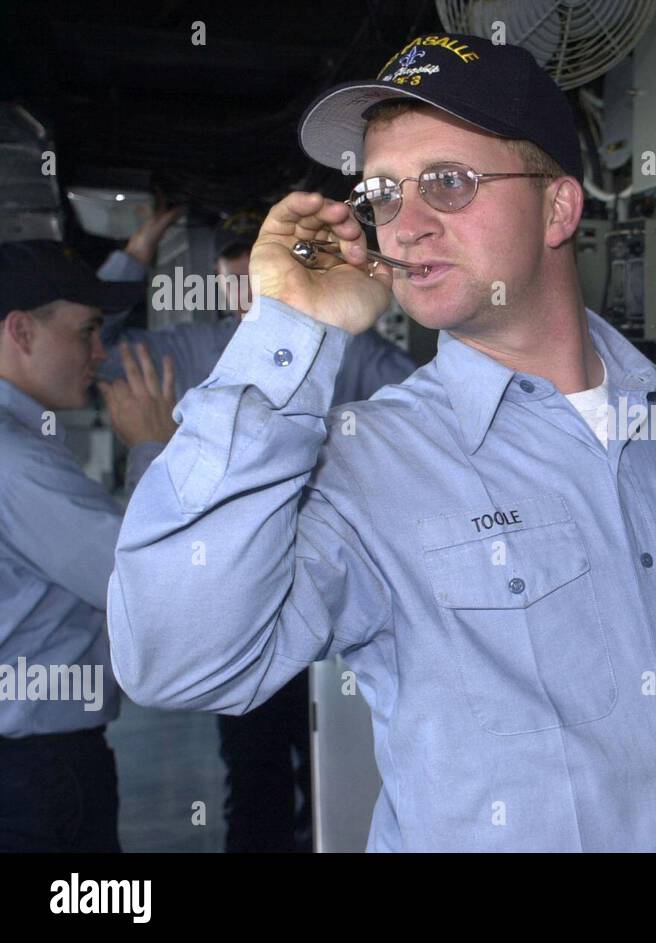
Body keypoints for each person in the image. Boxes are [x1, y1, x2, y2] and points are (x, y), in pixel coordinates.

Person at [108, 32, 656, 851]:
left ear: (560, 206)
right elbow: (179, 658)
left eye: (447, 182)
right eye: (381, 193)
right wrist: (288, 331)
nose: (404, 223)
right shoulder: (365, 463)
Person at [97, 210, 417, 852]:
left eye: (265, 279)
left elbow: (430, 418)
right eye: (238, 285)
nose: (257, 297)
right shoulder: (187, 350)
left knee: (345, 765)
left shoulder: (355, 348)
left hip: (338, 601)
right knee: (254, 772)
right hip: (240, 596)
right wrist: (136, 253)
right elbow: (90, 340)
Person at [0, 241, 175, 852]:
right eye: (88, 332)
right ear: (21, 330)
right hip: (35, 768)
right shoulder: (14, 459)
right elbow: (137, 580)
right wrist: (153, 446)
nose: (100, 354)